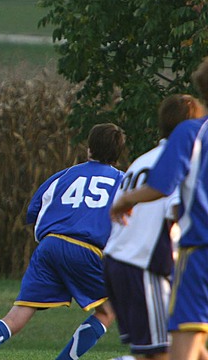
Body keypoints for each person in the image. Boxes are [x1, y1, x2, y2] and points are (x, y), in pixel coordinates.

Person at [0, 123, 126, 360]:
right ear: (118, 154)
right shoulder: (122, 181)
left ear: (89, 149)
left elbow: (34, 210)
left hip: (49, 246)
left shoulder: (64, 175)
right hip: (87, 248)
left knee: (16, 315)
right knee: (107, 310)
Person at [111, 57, 208, 360]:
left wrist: (126, 200)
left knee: (174, 351)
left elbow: (163, 190)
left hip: (193, 254)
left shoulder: (190, 134)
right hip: (143, 262)